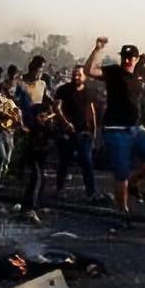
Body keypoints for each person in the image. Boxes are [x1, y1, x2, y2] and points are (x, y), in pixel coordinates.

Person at [84, 38, 145, 218]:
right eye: (124, 57)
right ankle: (123, 212)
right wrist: (98, 49)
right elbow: (89, 70)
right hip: (115, 130)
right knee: (121, 173)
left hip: (135, 129)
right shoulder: (113, 72)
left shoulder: (140, 74)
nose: (127, 60)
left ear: (136, 59)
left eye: (130, 57)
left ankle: (135, 184)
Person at [54, 64, 98, 201]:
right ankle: (60, 189)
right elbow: (57, 108)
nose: (76, 77)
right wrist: (65, 123)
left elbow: (91, 111)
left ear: (84, 76)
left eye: (79, 74)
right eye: (74, 74)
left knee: (87, 162)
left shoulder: (89, 91)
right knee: (64, 161)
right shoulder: (63, 90)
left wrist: (94, 130)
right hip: (67, 132)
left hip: (83, 132)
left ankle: (91, 193)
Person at [0, 82, 24, 187]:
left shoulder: (10, 103)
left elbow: (16, 116)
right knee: (1, 157)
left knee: (7, 159)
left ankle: (0, 179)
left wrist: (16, 118)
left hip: (9, 133)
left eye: (0, 94)